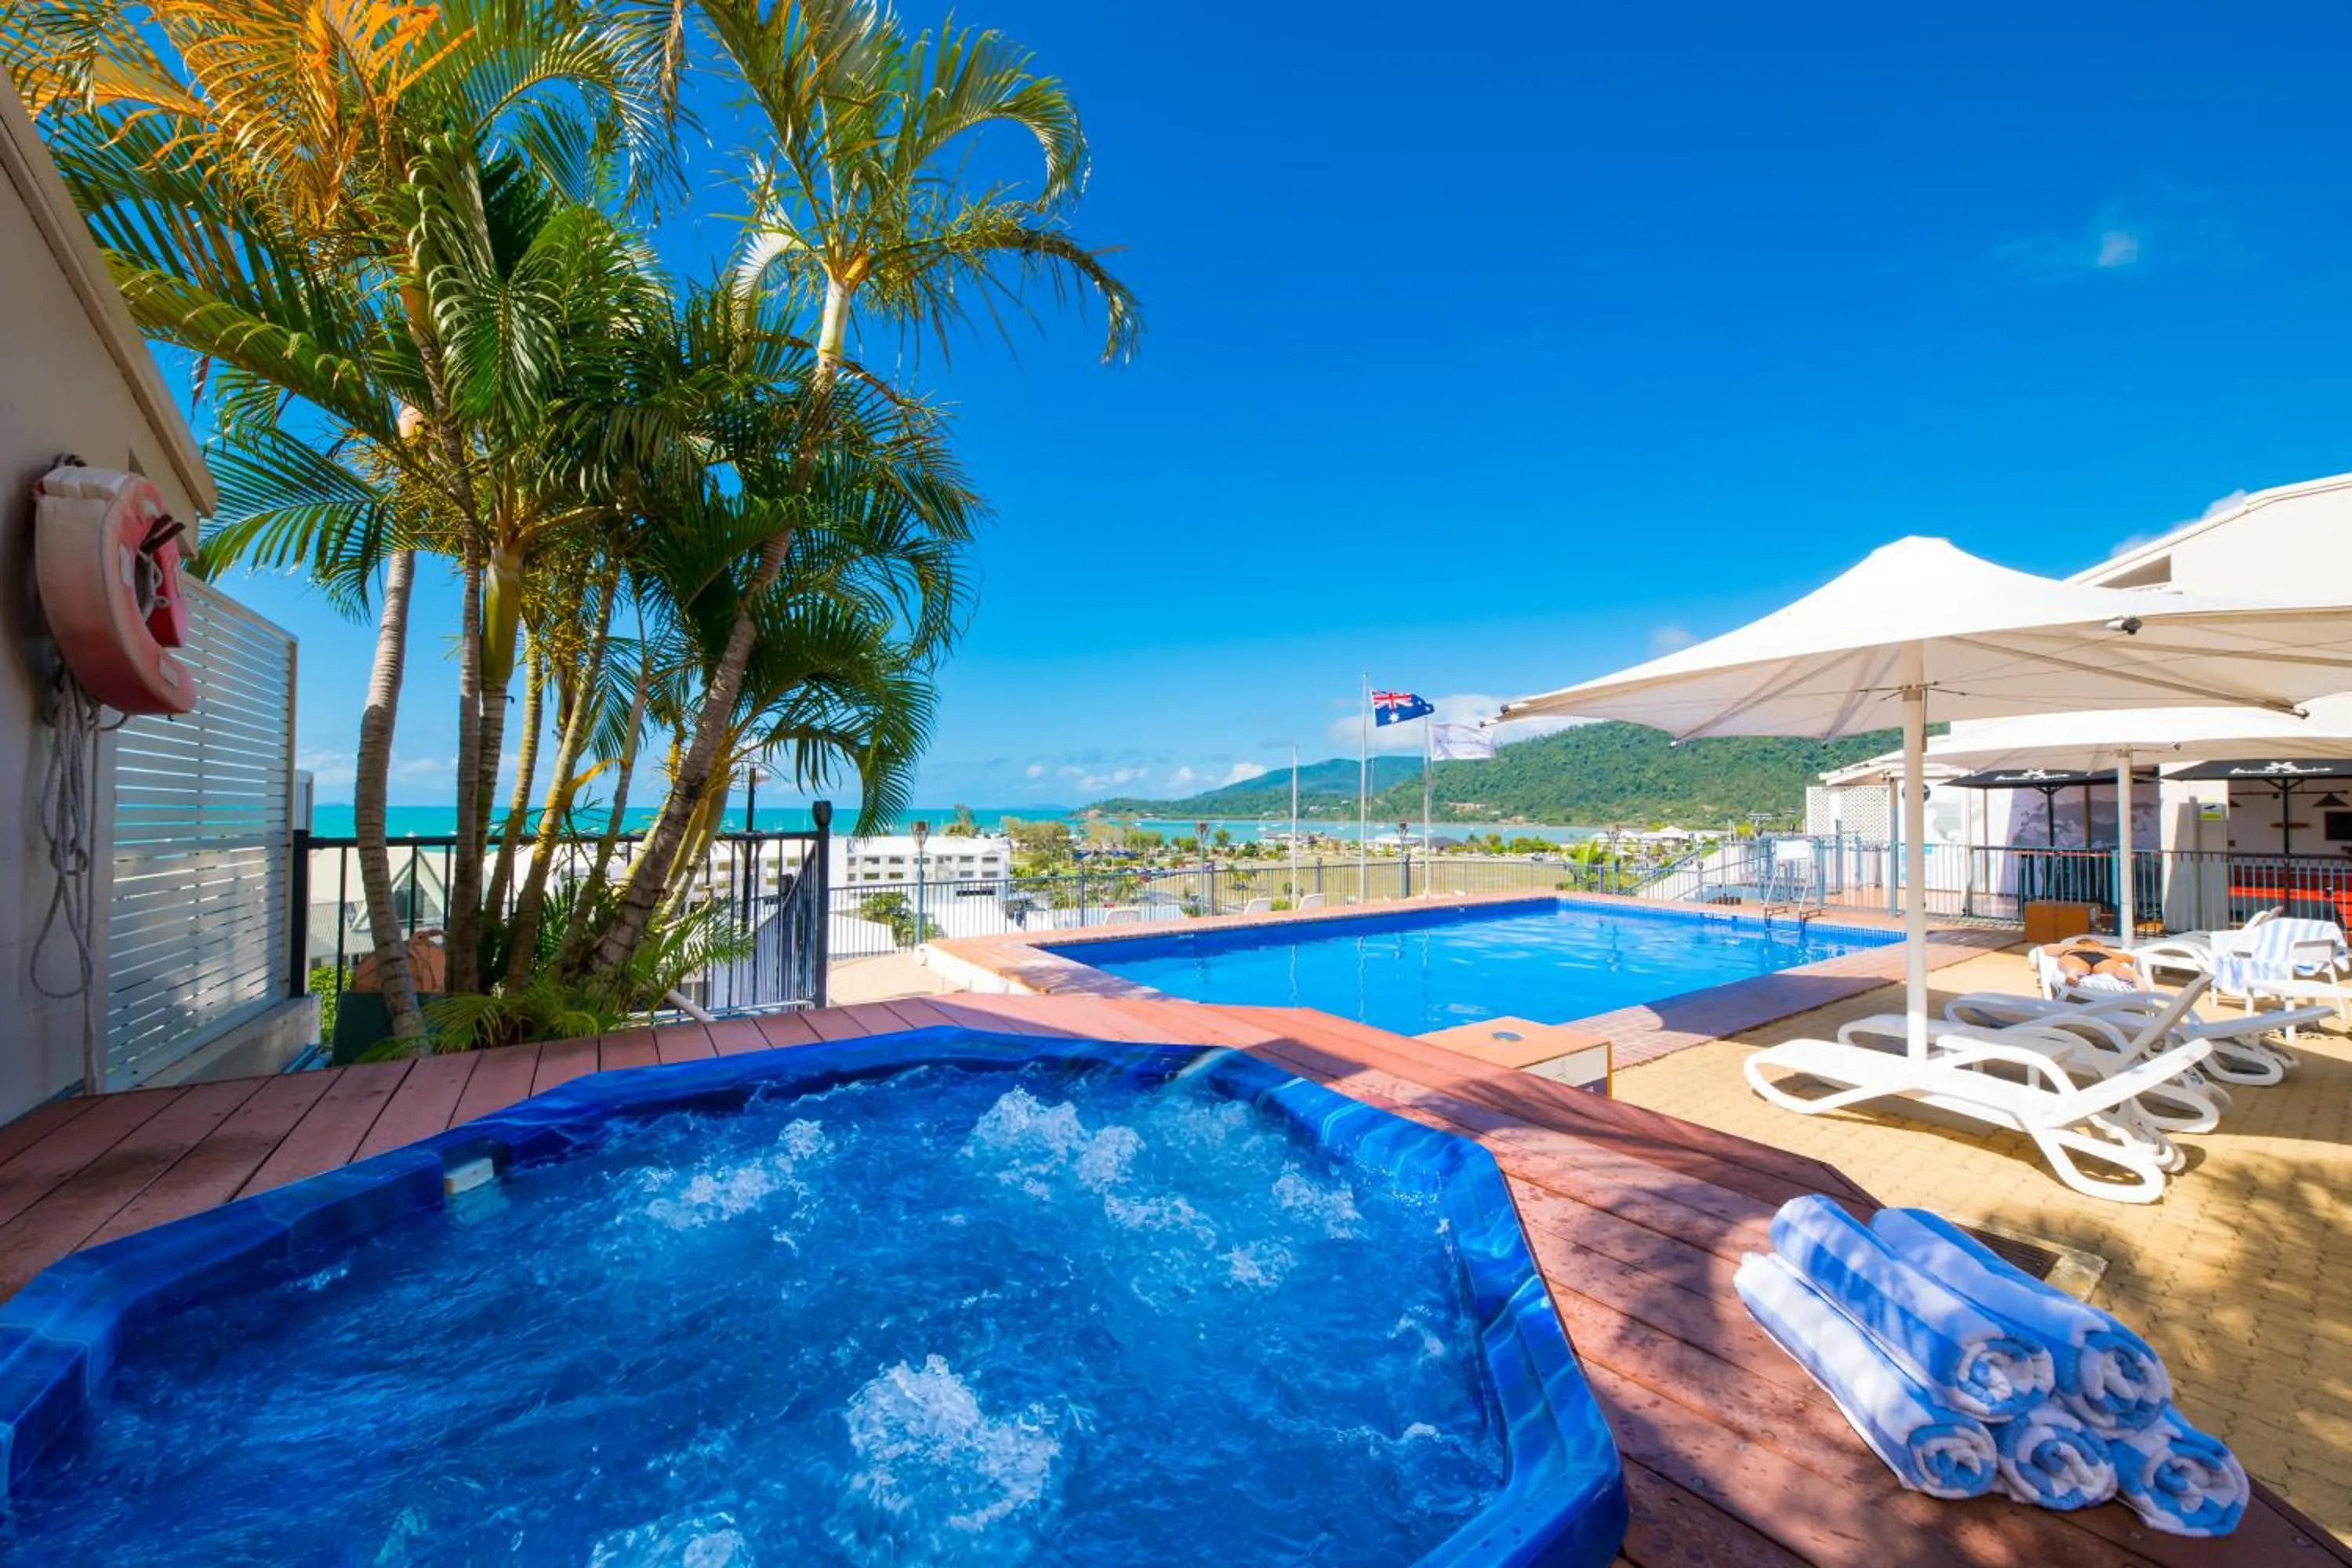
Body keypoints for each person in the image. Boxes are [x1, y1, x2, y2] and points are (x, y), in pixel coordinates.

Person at [2049, 936, 2145, 991]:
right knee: (2116, 969)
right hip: (2102, 956)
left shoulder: (2071, 946)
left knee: (2073, 964)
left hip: (2075, 954)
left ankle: (2074, 971)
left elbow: (2046, 950)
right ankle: (2134, 976)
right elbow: (2127, 958)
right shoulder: (2102, 949)